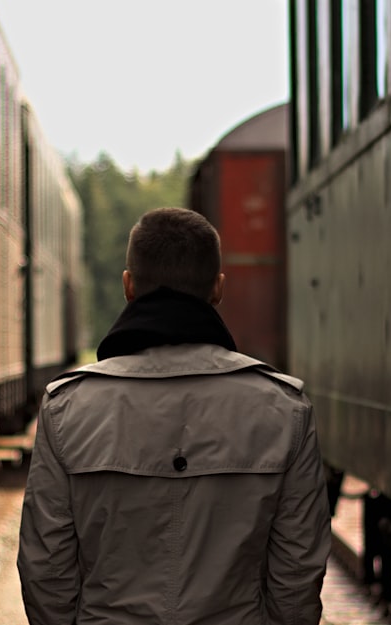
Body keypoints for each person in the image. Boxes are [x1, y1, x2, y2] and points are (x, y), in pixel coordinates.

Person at [17, 207, 331, 625]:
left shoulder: (67, 408)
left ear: (129, 286)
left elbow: (46, 571)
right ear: (217, 289)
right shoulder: (284, 410)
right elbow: (296, 575)